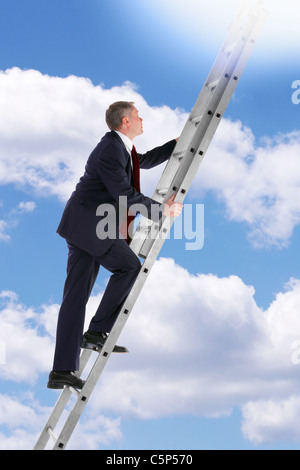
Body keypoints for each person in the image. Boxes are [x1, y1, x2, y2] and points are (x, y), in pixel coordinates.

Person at [47, 101, 183, 390]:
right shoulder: (111, 147)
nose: (141, 119)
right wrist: (162, 210)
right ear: (125, 122)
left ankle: (61, 371)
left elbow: (140, 162)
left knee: (74, 297)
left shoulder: (120, 146)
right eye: (137, 116)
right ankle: (96, 332)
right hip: (91, 226)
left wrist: (174, 145)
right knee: (130, 266)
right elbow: (123, 192)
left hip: (85, 225)